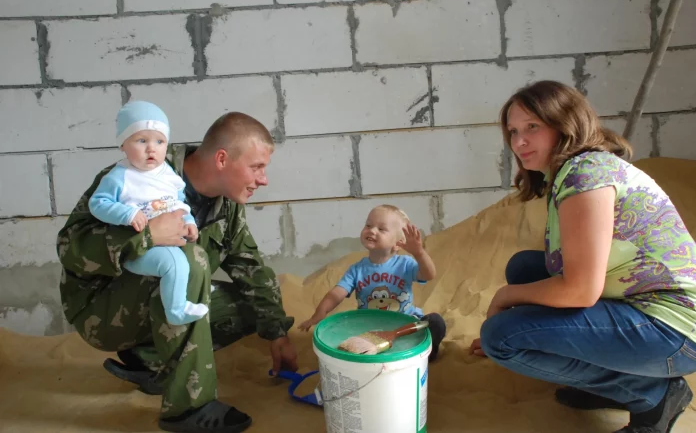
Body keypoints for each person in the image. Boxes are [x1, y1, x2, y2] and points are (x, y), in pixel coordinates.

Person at [468, 80, 696, 433]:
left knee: (500, 338)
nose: (519, 142)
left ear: (565, 124)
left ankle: (649, 393)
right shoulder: (574, 171)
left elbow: (581, 291)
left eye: (532, 127)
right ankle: (613, 378)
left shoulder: (586, 176)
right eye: (513, 131)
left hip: (675, 332)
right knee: (524, 268)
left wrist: (504, 298)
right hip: (640, 302)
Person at [57, 111, 299, 433]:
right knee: (190, 259)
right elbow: (69, 247)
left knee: (252, 305)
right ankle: (189, 409)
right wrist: (147, 236)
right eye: (256, 167)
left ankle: (150, 360)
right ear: (222, 159)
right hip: (100, 309)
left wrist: (278, 333)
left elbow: (249, 266)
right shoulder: (137, 172)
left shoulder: (226, 206)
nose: (263, 179)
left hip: (158, 301)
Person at [89, 100, 208, 325]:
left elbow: (178, 203)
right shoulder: (120, 176)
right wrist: (126, 214)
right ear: (123, 144)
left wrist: (189, 221)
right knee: (174, 263)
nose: (151, 148)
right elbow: (98, 204)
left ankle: (195, 293)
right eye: (141, 140)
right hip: (138, 250)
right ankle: (176, 311)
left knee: (193, 258)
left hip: (168, 242)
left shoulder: (168, 174)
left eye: (159, 141)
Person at [298, 204, 447, 361]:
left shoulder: (405, 264)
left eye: (381, 229)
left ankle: (429, 352)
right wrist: (321, 311)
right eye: (368, 225)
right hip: (369, 327)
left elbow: (429, 274)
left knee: (435, 322)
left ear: (398, 244)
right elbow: (336, 294)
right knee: (345, 336)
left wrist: (419, 253)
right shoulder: (357, 270)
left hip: (405, 325)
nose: (372, 230)